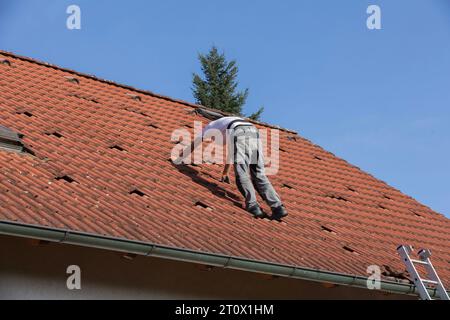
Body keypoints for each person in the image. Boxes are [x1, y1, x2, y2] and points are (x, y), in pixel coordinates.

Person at [176, 116, 288, 220]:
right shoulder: (225, 126)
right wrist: (225, 173)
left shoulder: (210, 127)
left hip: (240, 131)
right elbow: (232, 154)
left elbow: (194, 143)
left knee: (241, 174)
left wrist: (179, 159)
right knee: (259, 174)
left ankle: (253, 206)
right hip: (255, 133)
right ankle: (278, 207)